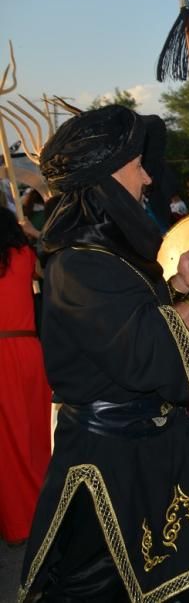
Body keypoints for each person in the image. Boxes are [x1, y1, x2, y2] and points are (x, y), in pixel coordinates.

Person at [19, 105, 189, 601]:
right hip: (110, 458)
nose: (148, 176)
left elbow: (132, 320)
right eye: (136, 164)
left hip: (153, 443)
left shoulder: (104, 255)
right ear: (105, 178)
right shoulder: (79, 264)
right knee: (92, 587)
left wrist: (180, 283)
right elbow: (144, 347)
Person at [0, 207, 49, 546]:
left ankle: (20, 522)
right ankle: (50, 512)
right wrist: (32, 232)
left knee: (9, 444)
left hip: (2, 355)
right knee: (37, 434)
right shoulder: (23, 254)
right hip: (31, 352)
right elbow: (51, 269)